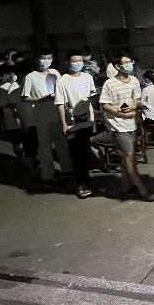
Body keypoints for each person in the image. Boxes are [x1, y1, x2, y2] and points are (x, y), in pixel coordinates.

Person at [94, 54, 154, 201]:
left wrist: (133, 107)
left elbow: (136, 98)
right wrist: (120, 113)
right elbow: (105, 105)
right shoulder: (110, 84)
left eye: (131, 62)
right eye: (126, 63)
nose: (130, 65)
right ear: (118, 66)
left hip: (131, 125)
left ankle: (126, 186)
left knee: (123, 157)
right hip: (118, 127)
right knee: (130, 158)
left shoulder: (133, 80)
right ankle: (143, 191)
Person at [22, 48, 71, 184]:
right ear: (36, 59)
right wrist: (40, 99)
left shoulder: (55, 73)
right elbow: (24, 97)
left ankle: (67, 169)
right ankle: (48, 175)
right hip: (41, 116)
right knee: (45, 147)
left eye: (49, 58)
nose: (46, 61)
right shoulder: (30, 77)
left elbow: (62, 89)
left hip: (57, 114)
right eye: (43, 58)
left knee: (62, 143)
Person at [55, 52, 97, 199]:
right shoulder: (62, 81)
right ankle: (80, 184)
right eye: (74, 60)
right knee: (76, 154)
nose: (78, 63)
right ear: (67, 62)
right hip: (72, 123)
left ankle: (86, 180)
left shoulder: (87, 77)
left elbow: (92, 94)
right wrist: (64, 124)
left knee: (85, 152)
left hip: (88, 120)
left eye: (80, 60)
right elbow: (60, 104)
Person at [0, 70, 23, 158]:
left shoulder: (18, 85)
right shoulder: (2, 88)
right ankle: (18, 151)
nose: (12, 76)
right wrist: (15, 109)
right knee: (15, 134)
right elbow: (3, 103)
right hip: (10, 115)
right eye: (10, 74)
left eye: (13, 74)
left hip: (20, 115)